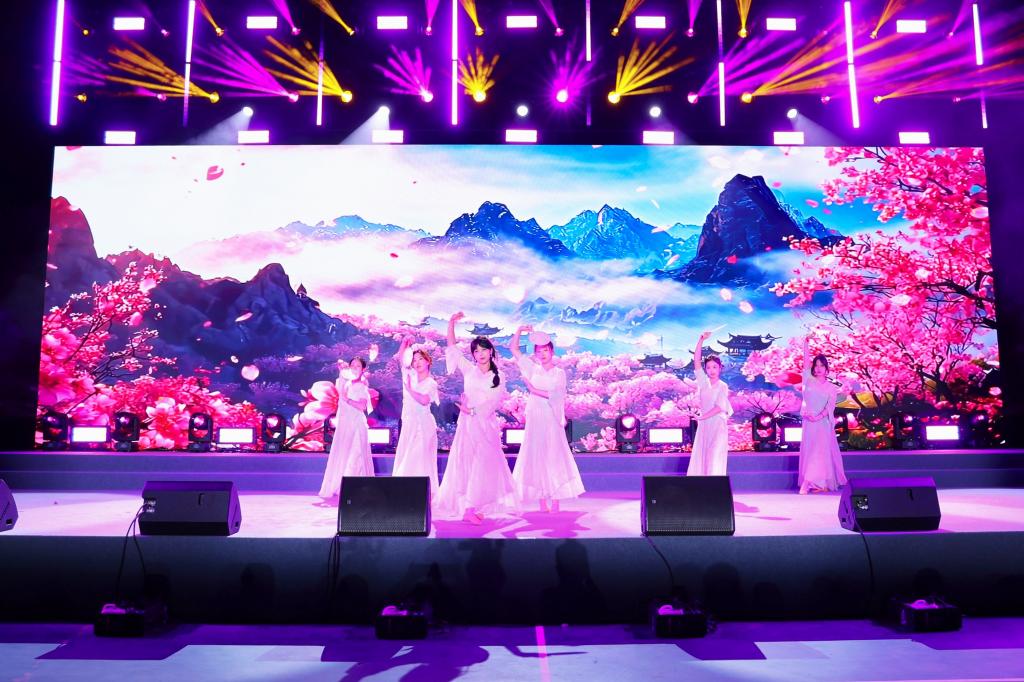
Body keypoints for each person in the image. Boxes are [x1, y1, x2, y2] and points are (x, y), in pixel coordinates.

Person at [435, 312, 518, 523]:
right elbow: (452, 348)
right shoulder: (469, 370)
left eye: (483, 350)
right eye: (476, 351)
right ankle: (468, 508)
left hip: (484, 425)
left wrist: (470, 410)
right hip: (467, 425)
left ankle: (477, 506)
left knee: (484, 464)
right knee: (467, 463)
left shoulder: (498, 376)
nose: (480, 354)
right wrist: (451, 323)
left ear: (491, 351)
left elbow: (492, 403)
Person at [510, 325, 585, 512]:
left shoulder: (559, 373)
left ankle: (556, 498)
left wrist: (534, 390)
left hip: (551, 416)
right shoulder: (532, 368)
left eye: (545, 350)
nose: (542, 354)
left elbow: (557, 395)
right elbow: (514, 350)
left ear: (552, 351)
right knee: (537, 455)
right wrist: (519, 331)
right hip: (535, 415)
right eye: (539, 351)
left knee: (553, 454)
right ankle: (542, 499)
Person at [798, 336, 848, 494]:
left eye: (822, 365)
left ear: (827, 369)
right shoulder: (808, 380)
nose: (819, 368)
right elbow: (805, 362)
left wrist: (818, 417)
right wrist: (806, 345)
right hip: (809, 421)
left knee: (820, 452)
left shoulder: (831, 387)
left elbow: (830, 406)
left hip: (822, 422)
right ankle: (818, 484)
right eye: (816, 365)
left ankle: (808, 482)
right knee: (810, 451)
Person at [392, 335, 440, 497]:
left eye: (420, 359)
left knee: (418, 457)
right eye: (414, 360)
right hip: (408, 423)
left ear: (428, 361)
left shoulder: (431, 383)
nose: (417, 362)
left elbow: (424, 400)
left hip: (424, 425)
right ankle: (404, 493)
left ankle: (420, 493)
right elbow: (401, 359)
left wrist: (410, 390)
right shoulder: (409, 375)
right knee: (407, 454)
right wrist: (404, 343)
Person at [319, 357, 373, 498]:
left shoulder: (362, 385)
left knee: (356, 455)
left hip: (357, 425)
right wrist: (341, 369)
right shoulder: (346, 383)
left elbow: (362, 406)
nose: (354, 368)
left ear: (363, 369)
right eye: (352, 366)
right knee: (343, 454)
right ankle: (343, 486)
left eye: (358, 366)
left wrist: (347, 399)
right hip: (345, 423)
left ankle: (358, 488)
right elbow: (342, 379)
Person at [687, 330, 732, 476]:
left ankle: (715, 486)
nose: (712, 370)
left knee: (714, 457)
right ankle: (702, 486)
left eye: (715, 367)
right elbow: (696, 362)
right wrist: (701, 340)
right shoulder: (703, 383)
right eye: (708, 367)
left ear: (720, 368)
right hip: (705, 425)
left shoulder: (723, 386)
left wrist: (702, 417)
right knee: (703, 457)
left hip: (717, 424)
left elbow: (719, 408)